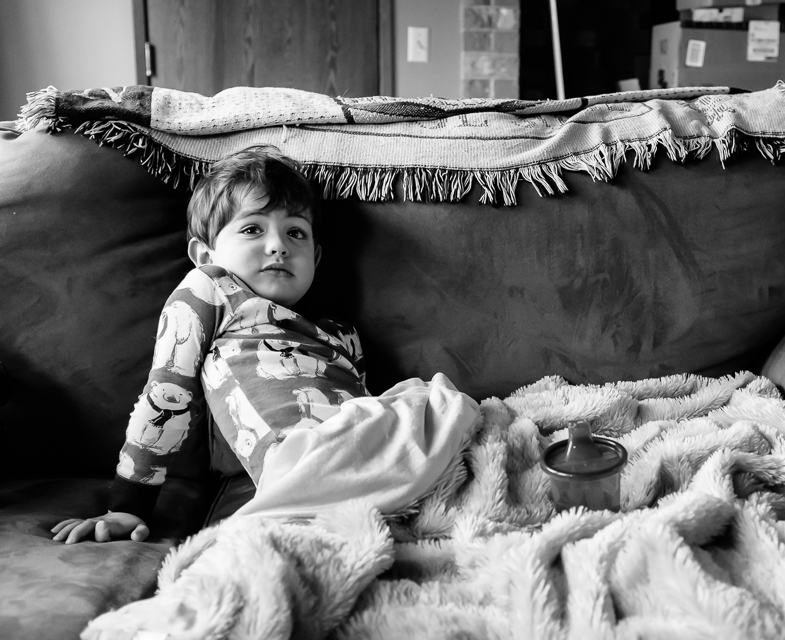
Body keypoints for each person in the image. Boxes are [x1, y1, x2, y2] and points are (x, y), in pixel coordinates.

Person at [52, 145, 478, 544]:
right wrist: (128, 508)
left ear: (316, 257)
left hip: (371, 438)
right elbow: (167, 397)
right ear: (204, 255)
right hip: (307, 461)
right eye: (253, 229)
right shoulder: (211, 289)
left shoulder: (341, 332)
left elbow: (368, 406)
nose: (278, 245)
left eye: (296, 234)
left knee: (435, 401)